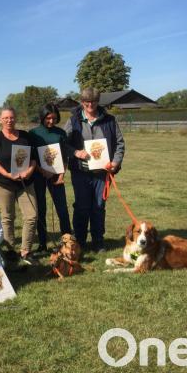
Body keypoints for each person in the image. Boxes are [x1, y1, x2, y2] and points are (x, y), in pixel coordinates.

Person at [64, 87, 125, 253]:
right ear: (82, 102)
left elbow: (120, 143)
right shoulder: (73, 120)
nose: (90, 104)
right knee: (82, 207)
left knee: (98, 207)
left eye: (93, 101)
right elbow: (63, 143)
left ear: (98, 102)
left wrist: (116, 162)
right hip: (80, 172)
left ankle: (98, 241)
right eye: (86, 101)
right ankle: (81, 241)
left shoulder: (110, 120)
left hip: (102, 174)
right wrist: (76, 152)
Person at [0, 106, 38, 264]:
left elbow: (34, 158)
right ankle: (10, 252)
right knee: (8, 218)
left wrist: (29, 171)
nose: (9, 120)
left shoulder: (25, 136)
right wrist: (7, 174)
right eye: (6, 118)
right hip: (3, 183)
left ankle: (25, 250)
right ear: (0, 120)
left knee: (32, 215)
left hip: (25, 183)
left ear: (15, 119)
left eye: (12, 117)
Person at [28, 103, 72, 252]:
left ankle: (67, 241)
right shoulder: (33, 133)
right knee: (41, 209)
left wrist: (61, 175)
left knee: (62, 210)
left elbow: (65, 156)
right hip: (39, 175)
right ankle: (42, 244)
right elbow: (31, 157)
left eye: (54, 118)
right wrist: (41, 170)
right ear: (42, 117)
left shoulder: (60, 133)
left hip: (56, 176)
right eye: (48, 118)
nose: (51, 121)